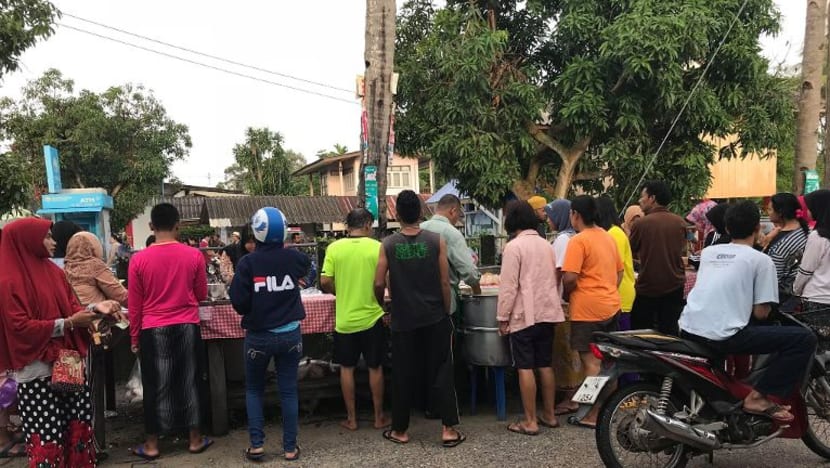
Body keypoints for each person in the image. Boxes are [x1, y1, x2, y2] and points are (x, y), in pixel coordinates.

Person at [0, 217, 123, 466]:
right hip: (36, 371)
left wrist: (95, 307)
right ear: (27, 241)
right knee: (47, 435)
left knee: (75, 428)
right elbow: (18, 327)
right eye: (46, 236)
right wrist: (68, 324)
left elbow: (71, 308)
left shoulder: (54, 272)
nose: (54, 242)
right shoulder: (8, 280)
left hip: (67, 367)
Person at [680, 201, 816, 423]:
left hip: (689, 328)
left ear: (727, 228)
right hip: (723, 335)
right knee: (803, 339)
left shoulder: (710, 253)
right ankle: (758, 397)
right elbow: (762, 313)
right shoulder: (761, 260)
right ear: (757, 228)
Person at [373, 190, 464, 447]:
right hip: (435, 317)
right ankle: (448, 429)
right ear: (421, 213)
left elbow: (379, 282)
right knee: (442, 370)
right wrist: (446, 311)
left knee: (402, 374)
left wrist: (382, 306)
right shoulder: (436, 241)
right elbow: (445, 282)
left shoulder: (388, 244)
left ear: (397, 214)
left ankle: (400, 431)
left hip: (403, 319)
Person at [128, 203, 212, 461]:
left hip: (153, 329)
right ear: (178, 225)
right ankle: (195, 439)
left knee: (155, 386)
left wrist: (134, 338)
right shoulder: (194, 255)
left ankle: (152, 444)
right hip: (187, 326)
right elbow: (201, 294)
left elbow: (135, 305)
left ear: (152, 226)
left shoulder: (138, 259)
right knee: (191, 381)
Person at [229, 207, 309, 462]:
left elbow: (239, 303)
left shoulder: (247, 263)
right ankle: (289, 447)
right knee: (288, 390)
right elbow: (307, 269)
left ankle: (257, 445)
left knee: (254, 389)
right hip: (290, 335)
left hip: (259, 337)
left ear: (256, 231)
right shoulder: (294, 258)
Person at [497, 201, 565, 435]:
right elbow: (555, 280)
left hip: (524, 315)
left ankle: (530, 421)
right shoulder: (546, 246)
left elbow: (508, 287)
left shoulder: (513, 247)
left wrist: (502, 318)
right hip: (547, 312)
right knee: (545, 364)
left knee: (524, 366)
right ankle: (550, 415)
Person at [320, 209, 389, 432]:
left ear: (348, 226)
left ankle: (351, 419)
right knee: (375, 367)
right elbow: (383, 283)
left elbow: (324, 281)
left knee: (346, 368)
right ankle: (379, 417)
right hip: (372, 316)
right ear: (368, 225)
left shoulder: (334, 248)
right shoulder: (378, 247)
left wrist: (340, 291)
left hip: (345, 320)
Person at [561, 195, 623, 428]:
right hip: (611, 306)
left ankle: (592, 414)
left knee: (591, 363)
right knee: (609, 362)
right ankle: (609, 410)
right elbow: (619, 273)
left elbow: (570, 278)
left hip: (587, 310)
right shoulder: (609, 237)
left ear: (576, 214)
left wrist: (568, 294)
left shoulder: (578, 241)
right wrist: (607, 291)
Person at [629, 181, 687, 335]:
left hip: (648, 286)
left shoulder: (641, 224)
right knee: (669, 331)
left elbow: (631, 250)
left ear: (652, 198)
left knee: (640, 332)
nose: (640, 200)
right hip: (675, 285)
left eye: (642, 196)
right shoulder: (680, 222)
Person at [543, 199, 584, 416]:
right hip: (574, 301)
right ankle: (575, 395)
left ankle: (569, 398)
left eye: (550, 216)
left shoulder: (562, 240)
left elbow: (559, 272)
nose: (548, 220)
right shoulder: (576, 236)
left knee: (565, 351)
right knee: (575, 351)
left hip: (562, 301)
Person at [421, 194, 482, 313]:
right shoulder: (452, 233)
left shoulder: (419, 228)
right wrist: (477, 292)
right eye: (458, 215)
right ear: (453, 211)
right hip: (444, 302)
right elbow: (469, 272)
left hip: (418, 301)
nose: (457, 220)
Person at [763, 193, 810, 312]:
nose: (768, 212)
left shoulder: (781, 244)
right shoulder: (805, 231)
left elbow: (773, 278)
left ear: (780, 213)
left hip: (782, 299)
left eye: (770, 209)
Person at [596, 196, 635, 332]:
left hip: (621, 296)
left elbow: (613, 267)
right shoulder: (611, 232)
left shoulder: (614, 234)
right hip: (616, 295)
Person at [65, 232, 129, 307]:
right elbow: (122, 297)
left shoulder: (65, 268)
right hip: (97, 315)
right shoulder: (95, 266)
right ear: (94, 247)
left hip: (76, 316)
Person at [795, 189, 830, 312]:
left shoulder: (818, 236)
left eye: (810, 207)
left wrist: (796, 290)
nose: (807, 211)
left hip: (817, 299)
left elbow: (806, 270)